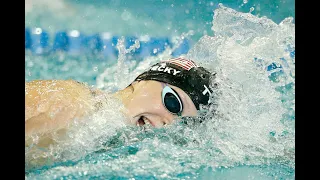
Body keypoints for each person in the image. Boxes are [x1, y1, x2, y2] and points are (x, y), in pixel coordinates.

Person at [25, 57, 215, 140]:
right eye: (173, 103)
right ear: (142, 81)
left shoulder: (101, 133)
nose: (169, 123)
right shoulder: (72, 103)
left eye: (183, 124)